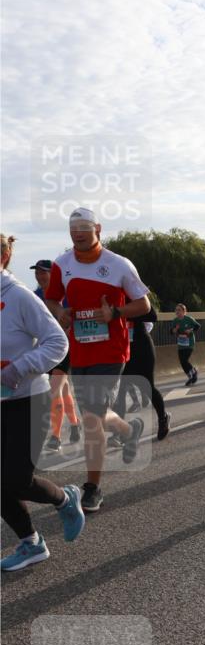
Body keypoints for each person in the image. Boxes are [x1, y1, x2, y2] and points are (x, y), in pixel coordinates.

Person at [44, 207, 151, 512]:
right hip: (80, 349)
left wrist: (115, 312)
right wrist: (59, 312)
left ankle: (92, 488)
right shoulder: (61, 264)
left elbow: (143, 304)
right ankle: (130, 431)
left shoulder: (118, 264)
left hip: (111, 350)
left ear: (98, 229)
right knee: (95, 412)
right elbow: (51, 298)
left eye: (84, 228)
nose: (78, 233)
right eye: (73, 229)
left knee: (91, 419)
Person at [1, 234, 85, 571]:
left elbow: (57, 342)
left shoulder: (19, 296)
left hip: (27, 399)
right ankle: (31, 543)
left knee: (16, 480)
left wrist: (18, 368)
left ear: (4, 256)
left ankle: (65, 498)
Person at [31, 259, 81, 451]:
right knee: (64, 389)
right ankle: (75, 424)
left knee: (54, 390)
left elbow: (73, 318)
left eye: (44, 272)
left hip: (64, 348)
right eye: (37, 272)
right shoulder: (33, 296)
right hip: (44, 350)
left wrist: (64, 329)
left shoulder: (65, 295)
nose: (40, 276)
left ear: (54, 275)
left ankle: (56, 436)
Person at [112, 305, 170, 441]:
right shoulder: (109, 299)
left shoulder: (133, 297)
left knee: (148, 387)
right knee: (120, 391)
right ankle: (119, 432)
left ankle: (163, 417)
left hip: (141, 347)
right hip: (121, 349)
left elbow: (153, 316)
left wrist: (125, 311)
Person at [170, 303, 200, 385]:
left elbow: (197, 326)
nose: (177, 312)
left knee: (184, 360)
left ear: (184, 311)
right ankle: (190, 376)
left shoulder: (189, 319)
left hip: (189, 343)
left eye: (179, 310)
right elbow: (171, 331)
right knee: (182, 362)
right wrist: (174, 330)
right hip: (181, 344)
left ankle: (194, 372)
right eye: (176, 310)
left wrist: (191, 330)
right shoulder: (175, 320)